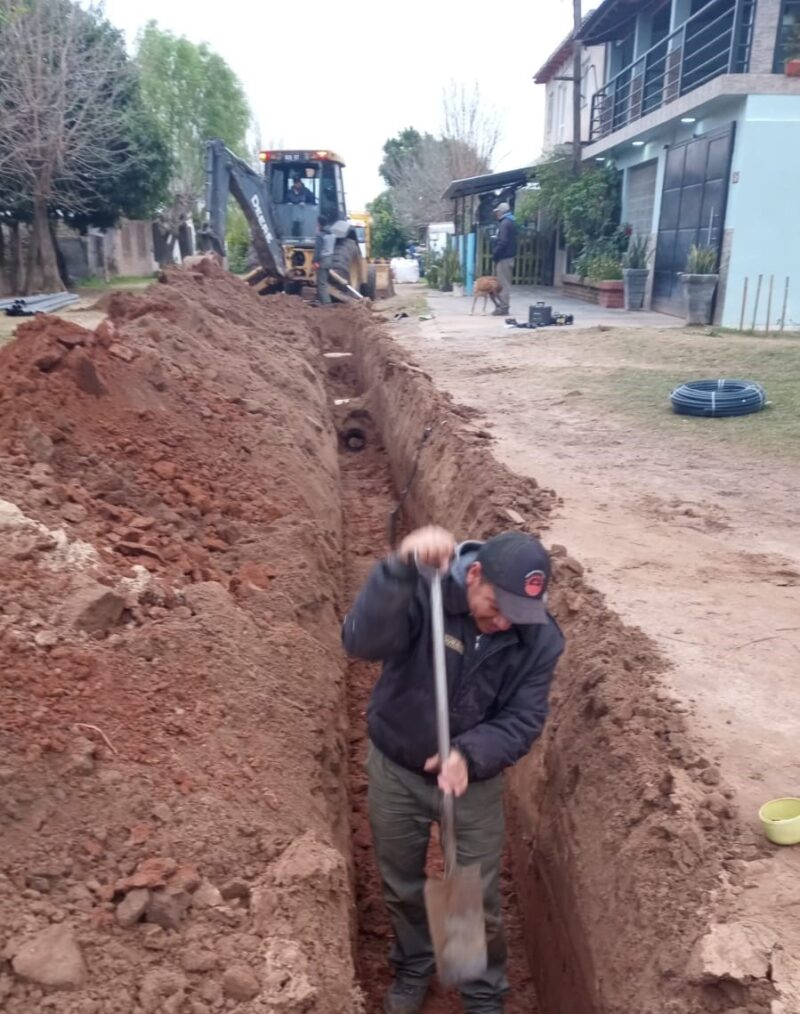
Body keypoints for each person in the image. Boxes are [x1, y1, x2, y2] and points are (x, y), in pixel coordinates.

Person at [342, 525, 565, 1014]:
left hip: (472, 782)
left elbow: (523, 718)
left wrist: (470, 753)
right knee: (401, 881)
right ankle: (416, 964)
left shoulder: (539, 637)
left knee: (472, 894)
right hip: (396, 768)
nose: (506, 622)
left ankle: (478, 989)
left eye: (518, 614)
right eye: (497, 605)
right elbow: (360, 641)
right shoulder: (427, 591)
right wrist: (397, 571)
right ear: (475, 575)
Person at [490, 203, 518, 316]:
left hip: (504, 258)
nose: (496, 214)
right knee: (503, 283)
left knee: (503, 284)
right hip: (509, 257)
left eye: (497, 212)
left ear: (501, 212)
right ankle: (502, 306)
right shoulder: (511, 222)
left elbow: (503, 242)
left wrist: (495, 253)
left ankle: (503, 308)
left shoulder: (504, 224)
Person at [313, 215, 336, 304]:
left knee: (321, 284)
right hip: (330, 260)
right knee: (324, 281)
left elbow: (318, 250)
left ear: (319, 223)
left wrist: (315, 261)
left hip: (322, 260)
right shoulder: (332, 235)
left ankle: (326, 303)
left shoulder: (320, 236)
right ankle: (320, 301)